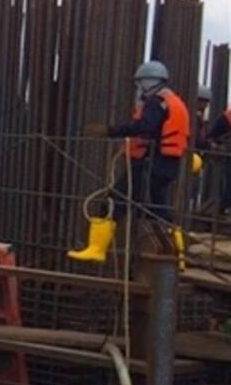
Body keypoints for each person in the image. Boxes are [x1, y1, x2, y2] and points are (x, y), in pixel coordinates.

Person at [70, 60, 189, 263]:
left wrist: (112, 131)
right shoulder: (173, 101)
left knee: (113, 200)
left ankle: (96, 249)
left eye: (140, 83)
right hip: (166, 165)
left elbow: (145, 127)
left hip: (148, 164)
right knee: (158, 210)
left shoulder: (155, 102)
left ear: (148, 82)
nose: (138, 88)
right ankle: (179, 257)